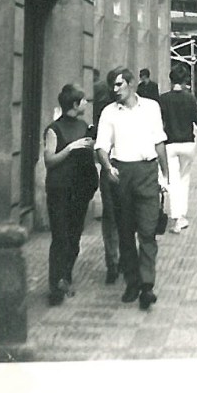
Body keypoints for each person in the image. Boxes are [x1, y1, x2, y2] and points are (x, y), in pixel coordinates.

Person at [95, 68, 169, 310]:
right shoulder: (108, 112)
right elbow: (101, 146)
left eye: (118, 85)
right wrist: (107, 167)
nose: (115, 90)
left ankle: (147, 285)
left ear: (131, 83)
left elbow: (159, 142)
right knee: (125, 232)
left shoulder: (151, 108)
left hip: (147, 173)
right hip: (121, 174)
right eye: (112, 86)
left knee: (148, 231)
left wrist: (165, 175)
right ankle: (132, 282)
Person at [43, 83, 98, 305]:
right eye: (83, 100)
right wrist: (71, 147)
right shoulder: (53, 129)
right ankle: (55, 287)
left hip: (79, 190)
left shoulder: (84, 125)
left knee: (74, 237)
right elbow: (49, 161)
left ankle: (66, 277)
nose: (86, 103)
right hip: (59, 190)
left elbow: (88, 158)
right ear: (75, 104)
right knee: (60, 238)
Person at [159, 63, 197, 234]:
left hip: (170, 145)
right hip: (188, 144)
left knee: (173, 182)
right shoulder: (190, 98)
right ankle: (182, 215)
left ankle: (178, 218)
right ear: (184, 80)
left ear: (171, 79)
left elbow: (159, 124)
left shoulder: (163, 99)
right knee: (184, 180)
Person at [92, 66, 123, 284]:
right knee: (120, 216)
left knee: (111, 218)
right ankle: (117, 261)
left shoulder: (103, 108)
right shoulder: (110, 110)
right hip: (117, 166)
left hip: (111, 166)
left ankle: (114, 260)